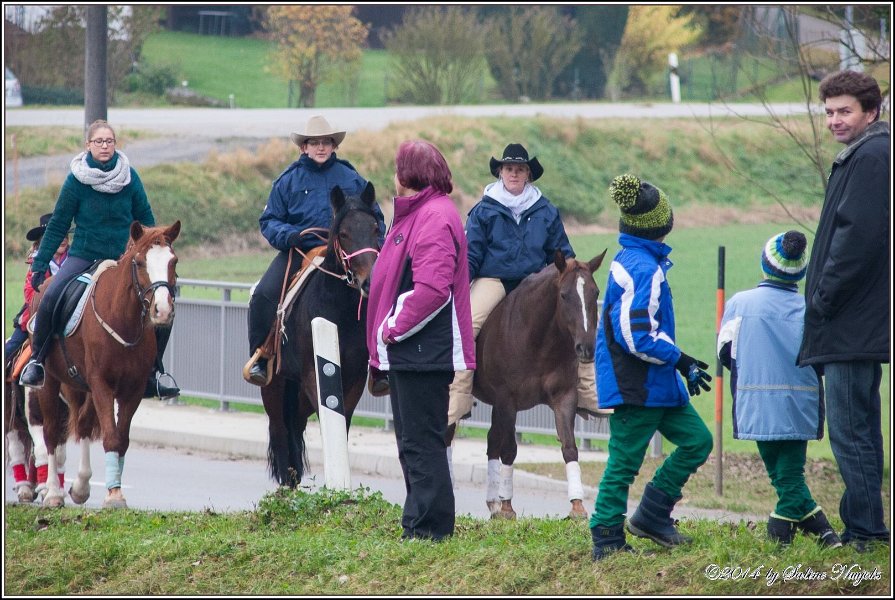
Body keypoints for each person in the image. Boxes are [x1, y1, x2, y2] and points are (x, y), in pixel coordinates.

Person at [589, 173, 713, 561]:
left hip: (657, 384)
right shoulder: (643, 268)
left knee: (698, 441)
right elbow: (638, 336)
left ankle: (652, 515)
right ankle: (606, 537)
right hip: (638, 385)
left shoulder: (639, 261)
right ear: (663, 225)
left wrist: (678, 365)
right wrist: (682, 359)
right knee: (624, 462)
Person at [18, 119, 180, 400]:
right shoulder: (75, 181)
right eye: (99, 142)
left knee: (162, 305)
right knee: (51, 295)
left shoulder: (130, 177)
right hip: (83, 255)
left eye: (109, 141)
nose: (104, 146)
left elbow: (147, 220)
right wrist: (41, 263)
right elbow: (58, 225)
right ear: (88, 145)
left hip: (122, 259)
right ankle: (37, 360)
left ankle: (155, 372)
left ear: (115, 144)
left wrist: (152, 247)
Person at [797, 70, 890, 551]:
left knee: (852, 431)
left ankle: (865, 532)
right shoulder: (868, 153)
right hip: (856, 321)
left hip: (851, 321)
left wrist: (822, 300)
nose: (834, 120)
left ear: (870, 111)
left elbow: (856, 240)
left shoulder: (873, 156)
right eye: (829, 111)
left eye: (844, 111)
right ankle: (868, 525)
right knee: (860, 429)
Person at [448, 142, 604, 430]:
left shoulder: (545, 210)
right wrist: (459, 288)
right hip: (493, 280)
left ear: (529, 174)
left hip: (534, 283)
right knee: (466, 325)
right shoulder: (483, 210)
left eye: (520, 169)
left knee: (577, 320)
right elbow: (470, 255)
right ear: (500, 172)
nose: (514, 174)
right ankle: (459, 396)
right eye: (509, 169)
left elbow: (563, 253)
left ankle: (585, 392)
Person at [366, 140, 475, 541]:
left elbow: (431, 289)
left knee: (421, 443)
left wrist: (388, 329)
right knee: (412, 442)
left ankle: (429, 530)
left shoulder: (433, 217)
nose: (393, 175)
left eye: (398, 167)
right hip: (412, 352)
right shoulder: (421, 213)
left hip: (421, 351)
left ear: (410, 173)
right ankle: (418, 523)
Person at [718, 231, 841, 548]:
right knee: (789, 475)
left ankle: (783, 531)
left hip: (755, 401)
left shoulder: (739, 304)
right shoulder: (809, 308)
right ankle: (819, 533)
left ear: (764, 263)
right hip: (800, 405)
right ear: (801, 271)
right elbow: (824, 359)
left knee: (784, 478)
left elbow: (725, 353)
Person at [245, 114, 385, 385]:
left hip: (348, 255)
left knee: (382, 292)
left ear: (334, 146)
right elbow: (269, 221)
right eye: (314, 143)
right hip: (299, 251)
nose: (321, 147)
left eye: (326, 142)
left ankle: (380, 364)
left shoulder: (352, 177)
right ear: (303, 147)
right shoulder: (288, 181)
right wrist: (290, 236)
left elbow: (375, 217)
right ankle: (261, 356)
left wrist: (371, 246)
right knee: (263, 295)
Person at [4, 214, 69, 361]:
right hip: (36, 311)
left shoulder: (75, 259)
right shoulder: (36, 261)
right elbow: (30, 293)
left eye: (65, 235)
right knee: (13, 346)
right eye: (57, 235)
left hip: (69, 308)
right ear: (43, 240)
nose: (63, 239)